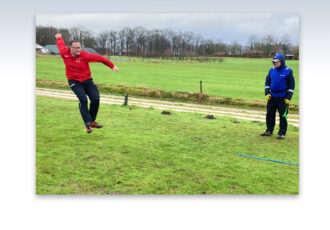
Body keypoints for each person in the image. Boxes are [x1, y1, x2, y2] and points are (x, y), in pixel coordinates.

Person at [55, 33, 119, 133]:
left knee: (95, 99)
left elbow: (100, 58)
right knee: (83, 99)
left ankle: (92, 121)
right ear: (70, 48)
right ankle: (87, 124)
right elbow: (60, 44)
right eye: (76, 48)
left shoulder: (85, 55)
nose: (78, 50)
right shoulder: (64, 52)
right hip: (74, 81)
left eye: (79, 47)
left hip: (87, 80)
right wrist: (58, 37)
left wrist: (112, 66)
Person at [260, 53, 295, 139]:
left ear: (282, 62)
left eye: (276, 62)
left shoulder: (288, 71)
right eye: (273, 62)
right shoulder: (271, 70)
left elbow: (291, 86)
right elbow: (267, 82)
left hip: (283, 97)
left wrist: (288, 97)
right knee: (270, 114)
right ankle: (269, 130)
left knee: (283, 115)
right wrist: (267, 92)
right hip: (272, 96)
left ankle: (281, 133)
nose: (274, 63)